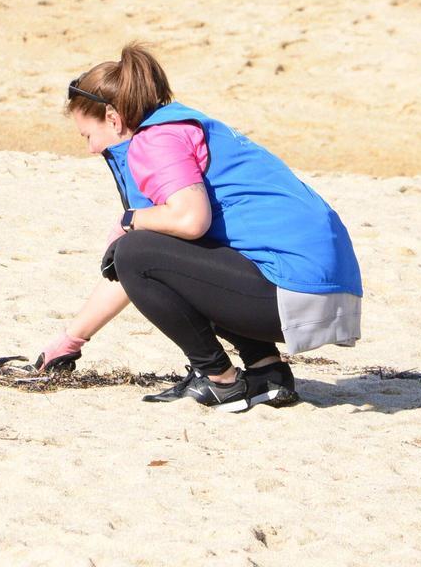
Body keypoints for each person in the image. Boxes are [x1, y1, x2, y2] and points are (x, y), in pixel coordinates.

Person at [35, 43, 363, 413]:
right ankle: (267, 374)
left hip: (295, 295)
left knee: (137, 249)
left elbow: (184, 226)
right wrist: (71, 340)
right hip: (327, 295)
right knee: (151, 249)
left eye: (87, 135)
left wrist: (129, 221)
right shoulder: (182, 124)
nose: (91, 149)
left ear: (112, 117)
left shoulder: (155, 142)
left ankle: (218, 379)